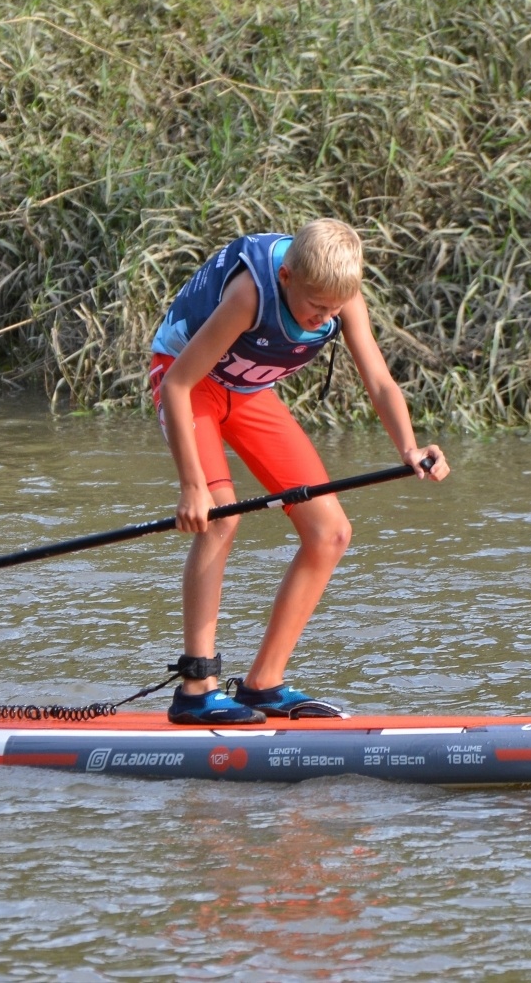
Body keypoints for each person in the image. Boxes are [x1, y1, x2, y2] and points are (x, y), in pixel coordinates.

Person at [148, 218, 449, 725]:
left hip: (245, 391)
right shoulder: (250, 295)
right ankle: (197, 689)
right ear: (286, 278)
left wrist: (409, 446)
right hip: (189, 381)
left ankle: (264, 684)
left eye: (333, 309)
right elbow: (177, 385)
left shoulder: (339, 296)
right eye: (315, 307)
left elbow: (378, 379)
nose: (323, 318)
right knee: (222, 516)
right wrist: (192, 487)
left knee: (330, 532)